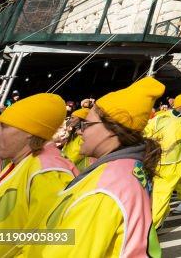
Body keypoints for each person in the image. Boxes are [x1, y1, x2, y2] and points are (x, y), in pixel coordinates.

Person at [26, 78, 165, 258]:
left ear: (112, 129)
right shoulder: (127, 169)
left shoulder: (104, 188)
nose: (80, 131)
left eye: (87, 125)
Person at [0, 93, 78, 248]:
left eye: (4, 127)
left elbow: (48, 240)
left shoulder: (49, 173)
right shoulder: (24, 161)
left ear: (29, 132)